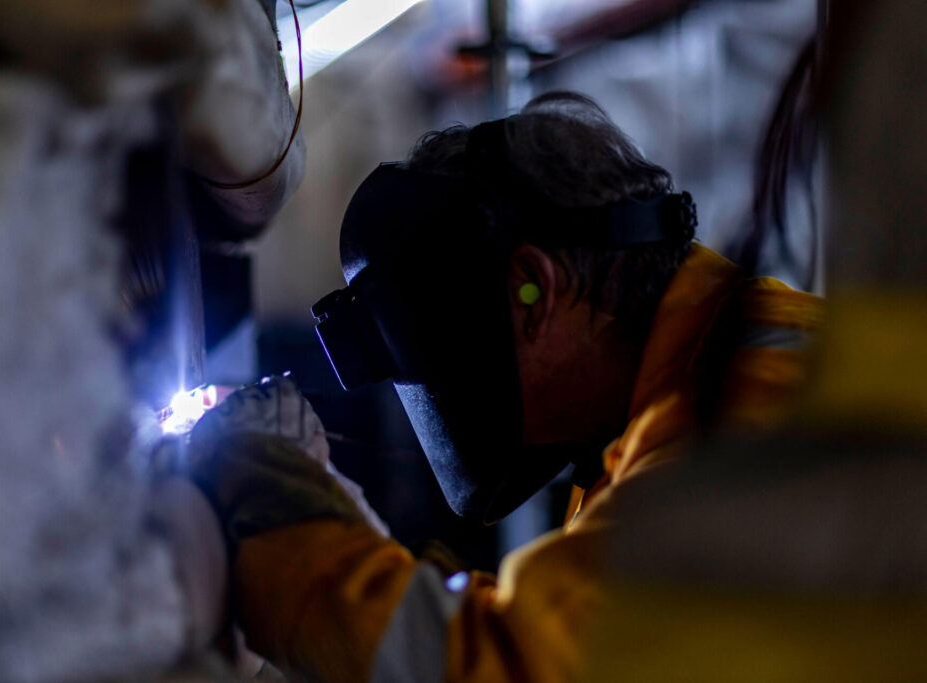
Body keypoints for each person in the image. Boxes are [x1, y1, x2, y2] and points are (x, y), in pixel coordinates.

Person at [185, 92, 823, 682]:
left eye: (449, 360)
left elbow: (506, 666)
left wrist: (280, 510)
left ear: (534, 291)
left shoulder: (751, 419)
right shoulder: (678, 406)